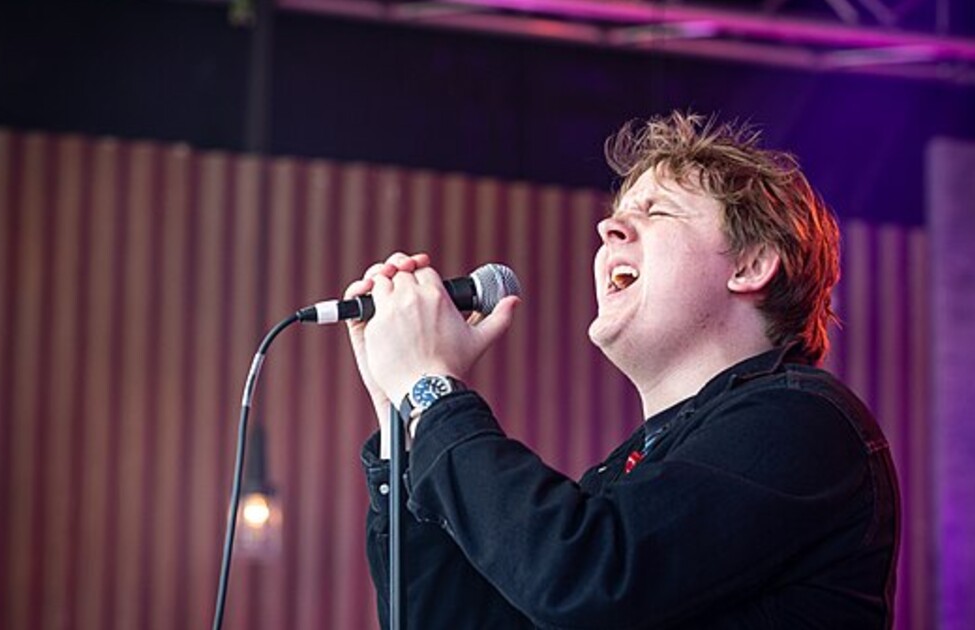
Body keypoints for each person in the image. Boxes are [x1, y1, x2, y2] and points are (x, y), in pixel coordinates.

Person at [345, 111, 899, 628]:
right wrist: (404, 421)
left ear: (751, 264)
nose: (609, 229)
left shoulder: (802, 422)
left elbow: (585, 578)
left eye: (654, 211)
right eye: (618, 214)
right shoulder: (627, 474)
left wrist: (433, 390)